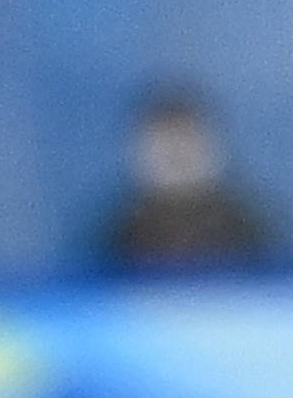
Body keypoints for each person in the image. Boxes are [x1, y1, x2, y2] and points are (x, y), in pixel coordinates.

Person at [94, 88, 277, 275]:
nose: (176, 155)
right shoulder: (114, 237)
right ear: (136, 152)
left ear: (214, 148)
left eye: (187, 142)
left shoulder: (253, 232)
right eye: (164, 145)